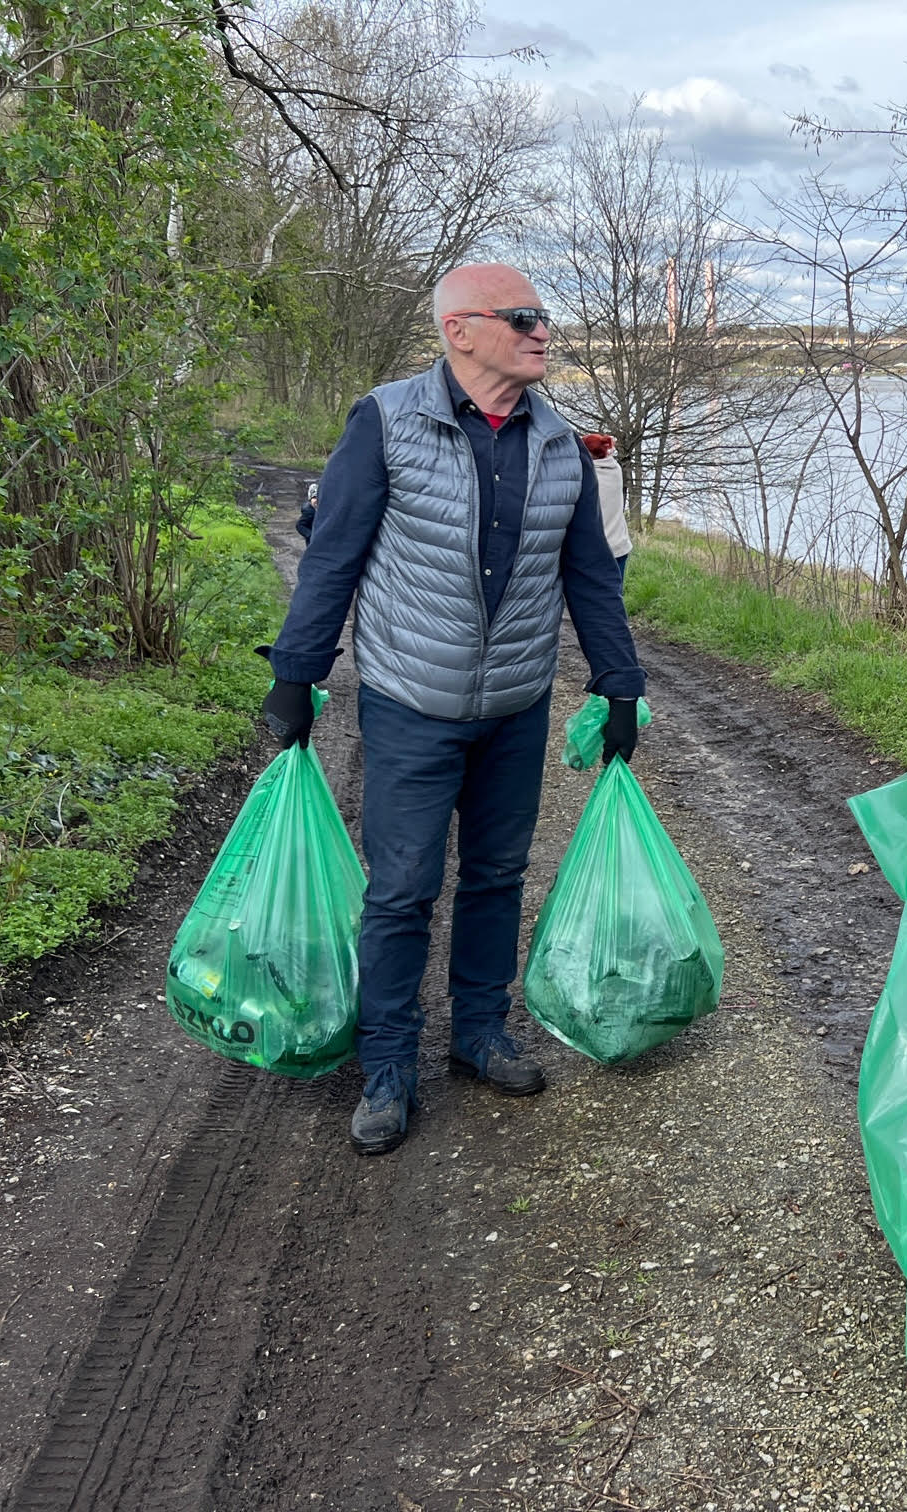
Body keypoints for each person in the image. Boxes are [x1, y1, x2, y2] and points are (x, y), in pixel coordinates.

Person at [262, 262, 646, 1156]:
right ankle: (388, 1064)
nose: (542, 331)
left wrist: (620, 684)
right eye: (522, 317)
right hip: (411, 702)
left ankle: (478, 1032)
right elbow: (334, 555)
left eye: (543, 317)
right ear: (460, 331)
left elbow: (590, 576)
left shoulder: (559, 444)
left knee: (498, 875)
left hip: (515, 705)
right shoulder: (386, 420)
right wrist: (297, 672)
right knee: (401, 890)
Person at [581, 433, 632, 578]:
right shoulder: (615, 469)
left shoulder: (587, 477)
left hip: (598, 551)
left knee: (593, 590)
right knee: (615, 590)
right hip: (620, 547)